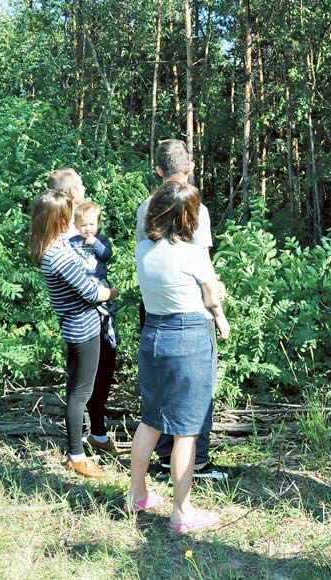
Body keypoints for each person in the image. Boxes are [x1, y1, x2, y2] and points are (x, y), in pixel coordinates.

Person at [127, 180, 230, 533]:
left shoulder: (143, 250)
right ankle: (182, 512)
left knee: (151, 419)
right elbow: (210, 297)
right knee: (186, 431)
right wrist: (218, 294)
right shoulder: (192, 254)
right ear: (187, 217)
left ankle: (136, 494)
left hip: (154, 334)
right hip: (188, 337)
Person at [136, 139, 233, 480]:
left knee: (160, 392)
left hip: (155, 309)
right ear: (189, 167)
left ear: (159, 170)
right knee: (196, 392)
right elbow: (203, 266)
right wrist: (218, 311)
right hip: (191, 315)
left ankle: (165, 458)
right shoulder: (196, 207)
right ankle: (199, 463)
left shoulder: (145, 208)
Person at [28, 189, 118, 478]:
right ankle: (76, 456)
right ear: (59, 219)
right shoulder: (60, 256)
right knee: (80, 394)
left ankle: (87, 443)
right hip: (83, 328)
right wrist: (113, 291)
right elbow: (92, 292)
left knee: (77, 389)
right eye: (68, 214)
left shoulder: (50, 244)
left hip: (74, 324)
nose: (72, 218)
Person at [67, 201, 119, 453]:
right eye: (83, 225)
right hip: (86, 303)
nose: (88, 229)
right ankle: (85, 437)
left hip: (101, 298)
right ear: (75, 226)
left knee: (104, 361)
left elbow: (108, 255)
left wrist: (95, 244)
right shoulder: (70, 244)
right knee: (84, 378)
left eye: (92, 224)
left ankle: (96, 431)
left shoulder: (100, 241)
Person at [48, 168, 87, 237]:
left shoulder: (50, 222)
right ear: (73, 192)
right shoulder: (76, 228)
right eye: (81, 185)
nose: (84, 188)